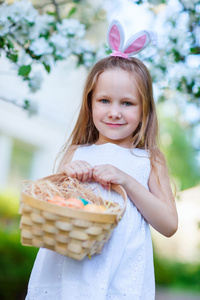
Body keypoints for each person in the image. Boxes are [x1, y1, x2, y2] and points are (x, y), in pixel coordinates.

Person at [25, 20, 178, 300]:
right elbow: (52, 209)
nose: (114, 112)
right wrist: (66, 177)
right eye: (104, 101)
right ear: (90, 102)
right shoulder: (77, 151)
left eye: (127, 103)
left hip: (119, 277)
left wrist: (128, 182)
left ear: (145, 111)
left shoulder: (149, 159)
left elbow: (169, 225)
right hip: (70, 271)